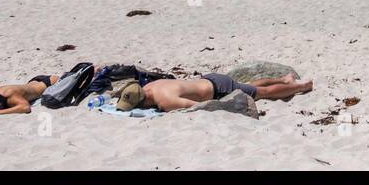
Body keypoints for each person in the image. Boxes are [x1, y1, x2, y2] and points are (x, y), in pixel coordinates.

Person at [120, 72, 314, 112]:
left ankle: (302, 86)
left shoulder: (165, 101)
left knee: (262, 92)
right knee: (247, 85)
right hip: (211, 79)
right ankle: (284, 78)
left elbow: (200, 107)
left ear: (144, 100)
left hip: (219, 90)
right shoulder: (149, 86)